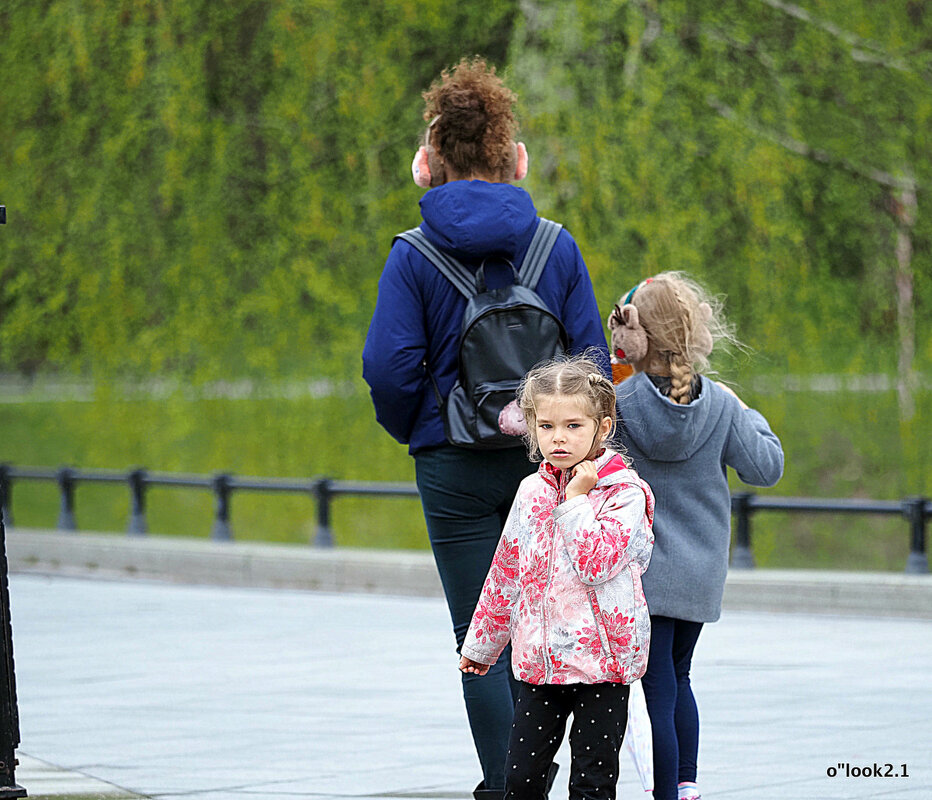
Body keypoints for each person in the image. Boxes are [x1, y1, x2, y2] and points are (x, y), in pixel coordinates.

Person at [362, 58, 610, 800]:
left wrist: (428, 430)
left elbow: (389, 369)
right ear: (517, 160)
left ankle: (508, 788)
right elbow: (593, 361)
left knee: (483, 638)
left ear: (426, 165)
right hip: (553, 467)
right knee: (554, 630)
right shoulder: (555, 246)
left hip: (454, 466)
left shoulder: (413, 256)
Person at [607, 271, 784, 800]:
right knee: (679, 678)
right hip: (701, 572)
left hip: (643, 573)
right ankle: (685, 785)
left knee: (656, 688)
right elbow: (766, 467)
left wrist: (621, 364)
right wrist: (745, 409)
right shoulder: (722, 405)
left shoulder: (622, 403)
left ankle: (665, 794)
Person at [458, 355, 654, 800]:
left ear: (602, 427)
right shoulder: (531, 490)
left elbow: (596, 563)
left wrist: (576, 501)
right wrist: (483, 645)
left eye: (573, 426)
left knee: (592, 780)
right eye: (546, 426)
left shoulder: (625, 494)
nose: (559, 438)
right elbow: (507, 570)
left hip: (602, 664)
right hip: (540, 663)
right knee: (521, 780)